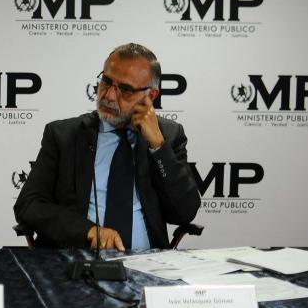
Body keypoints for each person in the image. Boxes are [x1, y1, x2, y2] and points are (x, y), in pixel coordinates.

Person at [14, 43, 200, 252]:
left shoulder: (169, 136)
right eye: (107, 82)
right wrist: (88, 231)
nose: (110, 96)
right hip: (76, 263)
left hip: (147, 266)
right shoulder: (64, 135)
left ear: (151, 96)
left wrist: (158, 145)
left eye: (126, 90)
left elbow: (184, 213)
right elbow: (28, 204)